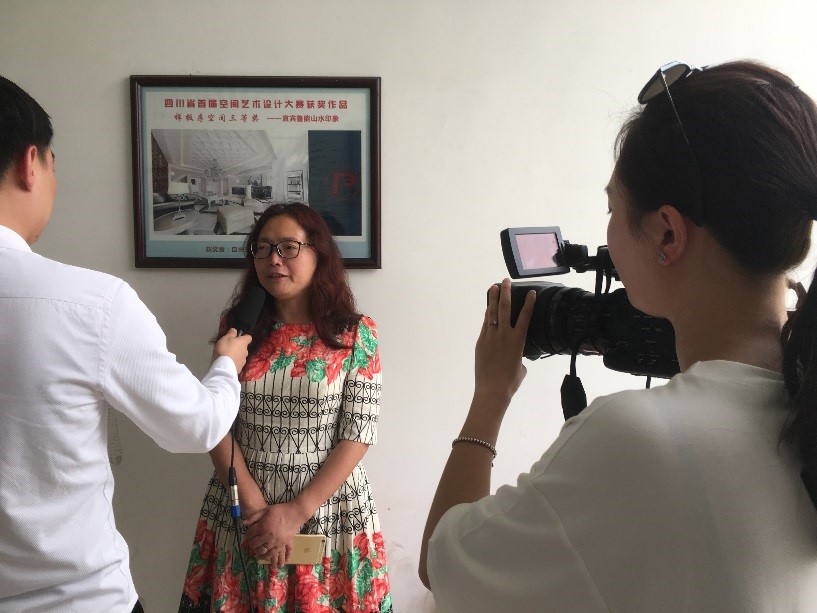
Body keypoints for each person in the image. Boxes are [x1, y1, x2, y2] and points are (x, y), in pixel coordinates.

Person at [419, 60, 817, 611]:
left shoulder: (638, 440)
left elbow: (442, 566)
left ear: (667, 233)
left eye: (612, 207)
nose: (607, 231)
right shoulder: (801, 400)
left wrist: (490, 393)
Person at [0, 76, 252, 612]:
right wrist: (226, 365)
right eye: (53, 164)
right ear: (30, 163)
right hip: (77, 599)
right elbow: (196, 425)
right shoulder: (90, 304)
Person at [179, 203, 391, 612]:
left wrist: (295, 512)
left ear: (319, 254)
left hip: (329, 509)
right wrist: (255, 507)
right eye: (263, 248)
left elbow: (358, 433)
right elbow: (214, 419)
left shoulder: (355, 332)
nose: (273, 259)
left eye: (288, 247)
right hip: (242, 505)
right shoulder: (237, 328)